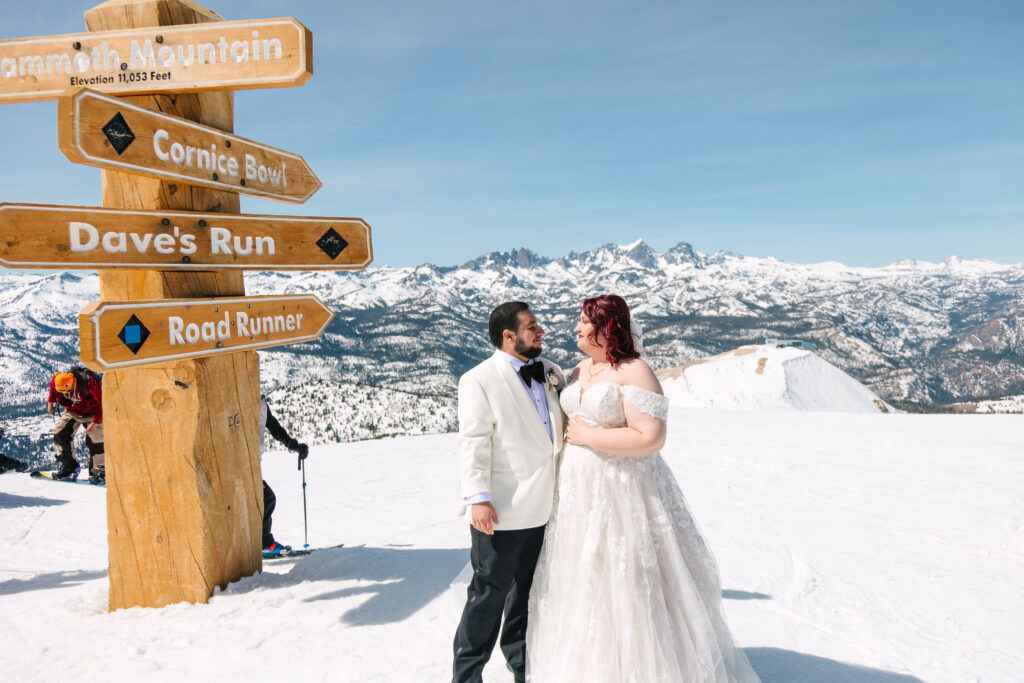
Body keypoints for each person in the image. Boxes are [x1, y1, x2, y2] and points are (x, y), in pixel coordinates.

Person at [525, 295, 761, 682]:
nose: (576, 329)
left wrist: (588, 436)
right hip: (577, 492)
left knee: (626, 578)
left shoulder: (636, 372)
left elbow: (651, 439)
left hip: (622, 491)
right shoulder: (581, 368)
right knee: (582, 575)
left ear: (606, 329)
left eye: (584, 322)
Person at [452, 302, 566, 683]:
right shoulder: (479, 379)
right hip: (502, 512)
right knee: (488, 598)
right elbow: (474, 442)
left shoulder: (551, 372)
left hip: (547, 509)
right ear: (509, 335)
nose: (542, 332)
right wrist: (478, 498)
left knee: (527, 598)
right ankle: (467, 676)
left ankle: (522, 667)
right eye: (533, 326)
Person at [259, 398, 309, 557]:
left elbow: (274, 427)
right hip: (238, 463)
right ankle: (264, 543)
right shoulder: (240, 398)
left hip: (252, 463)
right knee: (266, 498)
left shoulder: (261, 405)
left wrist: (293, 445)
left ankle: (259, 543)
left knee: (262, 500)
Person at [47, 367, 104, 483]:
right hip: (73, 412)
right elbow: (52, 390)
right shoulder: (58, 380)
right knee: (59, 433)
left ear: (73, 383)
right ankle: (69, 467)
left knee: (96, 441)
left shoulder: (89, 383)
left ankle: (100, 472)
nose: (66, 394)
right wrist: (50, 404)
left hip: (93, 413)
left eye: (68, 392)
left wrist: (94, 424)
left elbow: (101, 404)